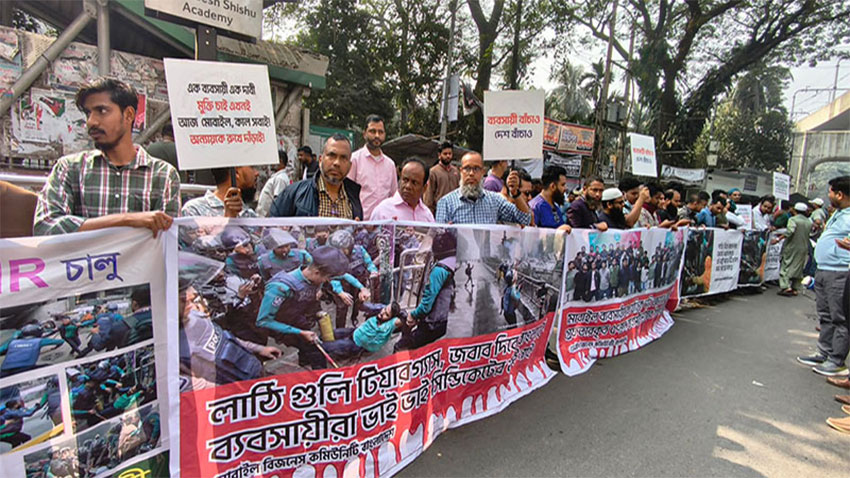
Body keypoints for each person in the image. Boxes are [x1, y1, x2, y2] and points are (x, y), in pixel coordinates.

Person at [33, 78, 180, 237]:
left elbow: (169, 239)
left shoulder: (163, 175)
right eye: (88, 113)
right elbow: (45, 227)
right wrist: (127, 220)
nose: (91, 122)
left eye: (102, 111)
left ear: (128, 115)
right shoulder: (70, 168)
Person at [256, 246, 349, 369]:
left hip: (298, 318)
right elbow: (263, 321)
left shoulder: (312, 279)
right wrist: (299, 332)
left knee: (312, 345)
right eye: (326, 278)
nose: (327, 281)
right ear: (317, 272)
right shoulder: (280, 287)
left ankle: (305, 361)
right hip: (280, 325)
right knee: (315, 351)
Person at [797, 176, 850, 376]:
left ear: (839, 194)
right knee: (825, 315)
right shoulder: (839, 213)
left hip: (840, 271)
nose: (828, 195)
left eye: (830, 192)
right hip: (824, 269)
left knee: (839, 317)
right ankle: (824, 352)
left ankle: (837, 360)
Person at [180, 285, 281, 389]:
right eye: (180, 296)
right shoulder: (171, 350)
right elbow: (194, 387)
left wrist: (259, 349)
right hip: (235, 392)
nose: (189, 298)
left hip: (253, 372)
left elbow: (226, 339)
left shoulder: (195, 316)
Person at [269, 134, 363, 219]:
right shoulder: (294, 194)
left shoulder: (354, 198)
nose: (337, 163)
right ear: (320, 160)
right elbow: (273, 227)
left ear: (350, 166)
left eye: (343, 158)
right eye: (332, 156)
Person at [395, 230, 456, 350]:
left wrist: (413, 315)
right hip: (447, 318)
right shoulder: (455, 262)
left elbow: (426, 305)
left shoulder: (439, 270)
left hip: (434, 321)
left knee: (402, 347)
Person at [435, 152, 531, 225]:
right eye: (467, 169)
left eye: (476, 169)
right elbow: (438, 238)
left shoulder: (495, 201)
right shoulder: (446, 203)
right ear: (461, 171)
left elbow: (525, 219)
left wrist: (515, 193)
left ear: (483, 172)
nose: (471, 173)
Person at [347, 115, 398, 219]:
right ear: (364, 134)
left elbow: (394, 196)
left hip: (383, 223)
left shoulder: (390, 164)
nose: (377, 135)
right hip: (360, 223)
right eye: (373, 131)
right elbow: (347, 193)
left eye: (380, 132)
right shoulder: (354, 160)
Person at [321, 302, 405, 363]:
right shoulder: (378, 311)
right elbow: (362, 306)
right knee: (330, 334)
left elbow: (404, 318)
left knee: (325, 347)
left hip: (356, 345)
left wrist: (397, 313)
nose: (382, 313)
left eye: (386, 314)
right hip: (355, 331)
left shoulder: (389, 325)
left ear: (391, 319)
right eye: (384, 309)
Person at [370, 158, 435, 222]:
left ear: (424, 188)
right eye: (405, 180)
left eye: (414, 182)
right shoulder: (383, 211)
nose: (408, 186)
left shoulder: (427, 216)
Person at [182, 166, 259, 217]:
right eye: (252, 167)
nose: (256, 173)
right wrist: (228, 219)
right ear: (236, 173)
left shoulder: (250, 215)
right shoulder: (194, 211)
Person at [776, 203, 813, 296]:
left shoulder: (793, 220)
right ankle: (795, 287)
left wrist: (779, 238)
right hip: (803, 247)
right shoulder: (808, 222)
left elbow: (790, 231)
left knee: (786, 265)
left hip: (792, 246)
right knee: (798, 267)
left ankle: (785, 286)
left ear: (795, 210)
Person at [423, 142, 460, 214]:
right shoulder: (433, 172)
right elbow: (429, 194)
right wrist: (429, 212)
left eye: (450, 154)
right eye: (445, 154)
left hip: (455, 210)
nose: (448, 156)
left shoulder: (456, 171)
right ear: (439, 155)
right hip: (439, 210)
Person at [256, 150, 292, 217]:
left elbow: (278, 202)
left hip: (268, 219)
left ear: (280, 161)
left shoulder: (280, 179)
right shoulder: (278, 177)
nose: (271, 163)